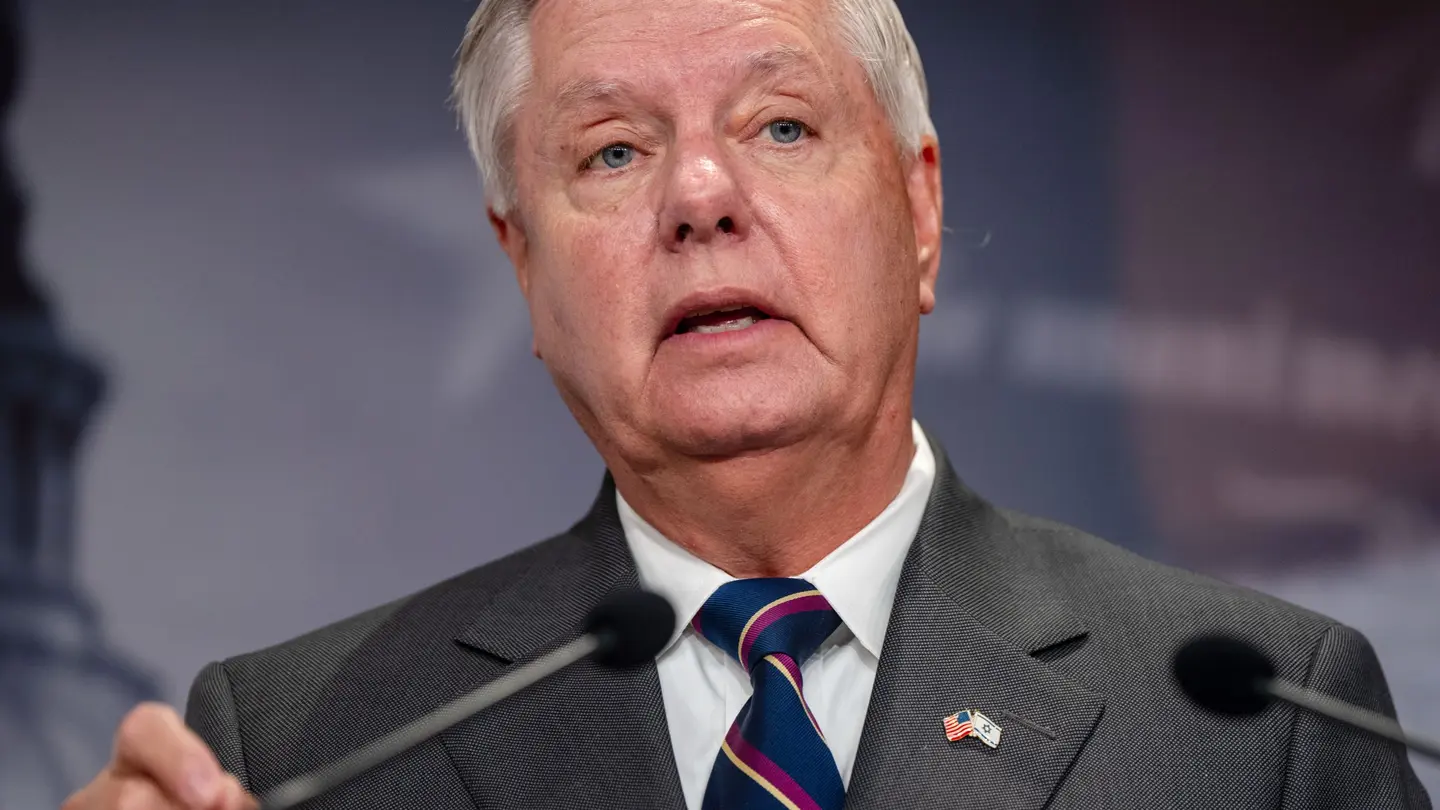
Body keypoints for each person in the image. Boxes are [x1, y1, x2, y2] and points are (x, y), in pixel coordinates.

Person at [64, 0, 1432, 808]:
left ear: (920, 211)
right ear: (523, 266)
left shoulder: (1262, 726)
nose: (702, 197)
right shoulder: (306, 749)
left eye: (781, 126)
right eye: (613, 151)